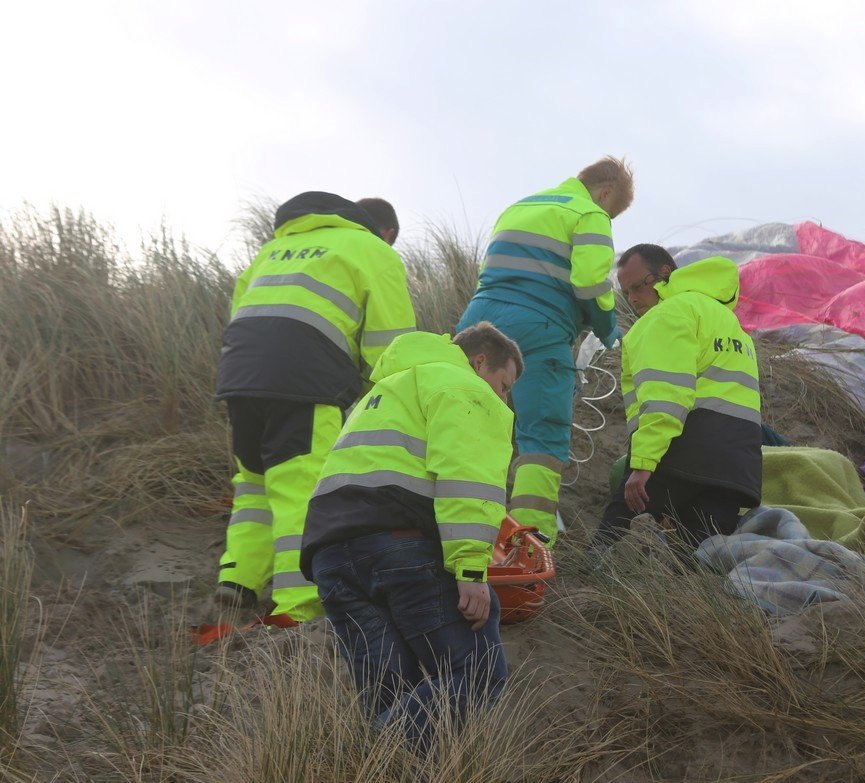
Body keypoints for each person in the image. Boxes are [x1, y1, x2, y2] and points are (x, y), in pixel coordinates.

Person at [301, 323, 521, 747]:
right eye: (503, 384)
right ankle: (363, 759)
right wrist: (472, 571)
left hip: (331, 559)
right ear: (479, 362)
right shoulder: (461, 385)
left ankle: (374, 763)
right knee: (476, 674)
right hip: (400, 546)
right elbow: (467, 477)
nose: (502, 397)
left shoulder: (378, 397)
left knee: (389, 691)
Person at [214, 191, 416, 621]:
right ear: (385, 232)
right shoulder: (372, 250)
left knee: (254, 481)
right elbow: (392, 345)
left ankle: (237, 581)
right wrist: (386, 399)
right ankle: (299, 604)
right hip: (303, 375)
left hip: (241, 373)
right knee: (303, 484)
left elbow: (240, 313)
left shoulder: (273, 249)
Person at [456, 157, 634, 545]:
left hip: (476, 321)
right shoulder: (589, 213)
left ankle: (460, 535)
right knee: (542, 439)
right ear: (605, 193)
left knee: (466, 429)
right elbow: (589, 283)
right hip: (538, 328)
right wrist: (607, 331)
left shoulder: (519, 207)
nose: (608, 217)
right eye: (613, 211)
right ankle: (528, 548)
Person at [596, 244, 762, 549]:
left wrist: (643, 464)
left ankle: (585, 590)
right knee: (697, 560)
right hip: (738, 463)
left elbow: (666, 397)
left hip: (685, 446)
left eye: (638, 287)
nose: (633, 299)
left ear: (664, 274)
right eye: (626, 292)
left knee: (611, 538)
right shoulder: (728, 322)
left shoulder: (667, 314)